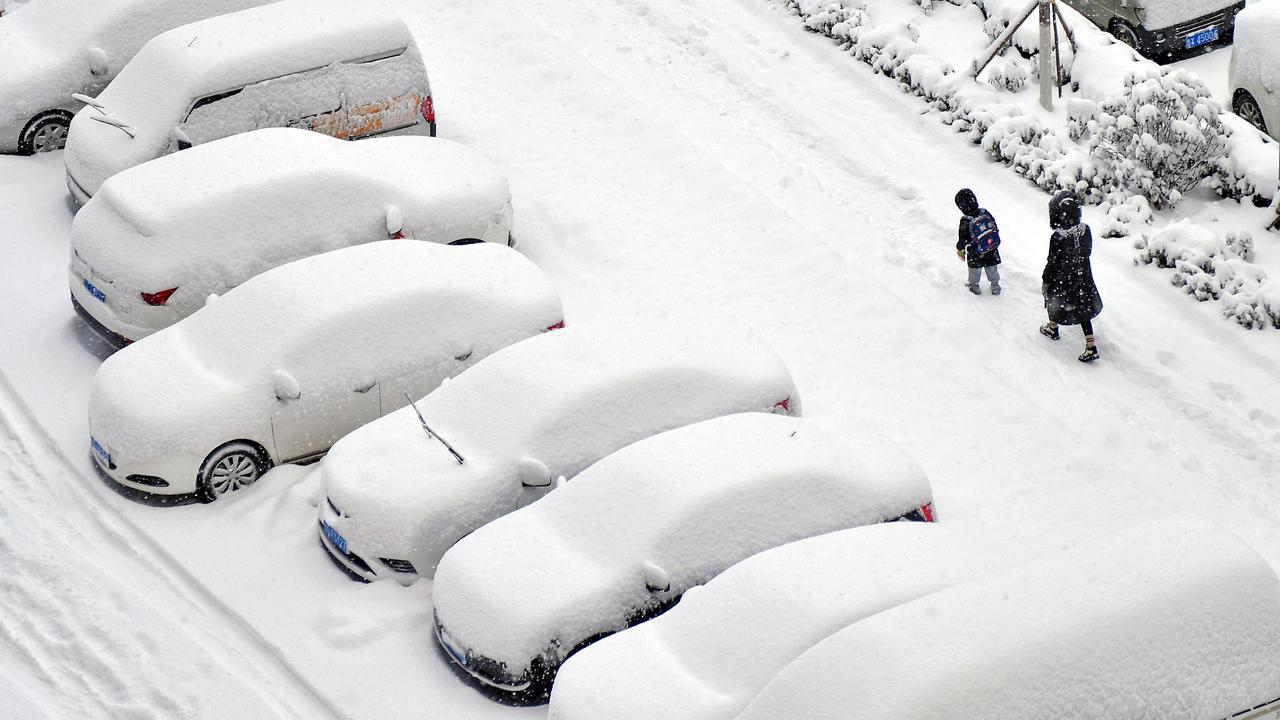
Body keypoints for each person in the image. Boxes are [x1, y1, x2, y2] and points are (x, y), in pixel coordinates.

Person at [1040, 190, 1102, 362]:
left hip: (1063, 277)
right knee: (1083, 309)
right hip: (1083, 275)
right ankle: (1091, 346)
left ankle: (1052, 328)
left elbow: (1052, 261)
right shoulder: (1085, 230)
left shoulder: (1058, 237)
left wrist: (1046, 279)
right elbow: (1087, 251)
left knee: (1055, 300)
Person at [954, 189, 1001, 295]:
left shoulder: (966, 220)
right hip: (991, 247)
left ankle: (974, 286)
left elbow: (963, 239)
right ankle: (995, 285)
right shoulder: (984, 212)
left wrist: (960, 248)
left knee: (974, 269)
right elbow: (994, 226)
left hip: (975, 251)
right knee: (992, 267)